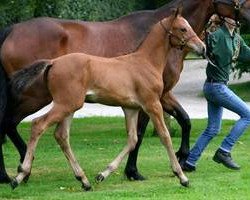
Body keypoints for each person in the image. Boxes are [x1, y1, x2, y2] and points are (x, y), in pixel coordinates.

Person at [181, 17, 250, 172]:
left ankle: (189, 162)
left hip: (215, 87)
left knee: (212, 129)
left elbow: (247, 54)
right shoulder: (217, 36)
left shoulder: (236, 39)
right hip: (216, 87)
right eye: (232, 17)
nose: (236, 20)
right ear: (225, 19)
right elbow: (205, 48)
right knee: (248, 115)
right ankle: (224, 151)